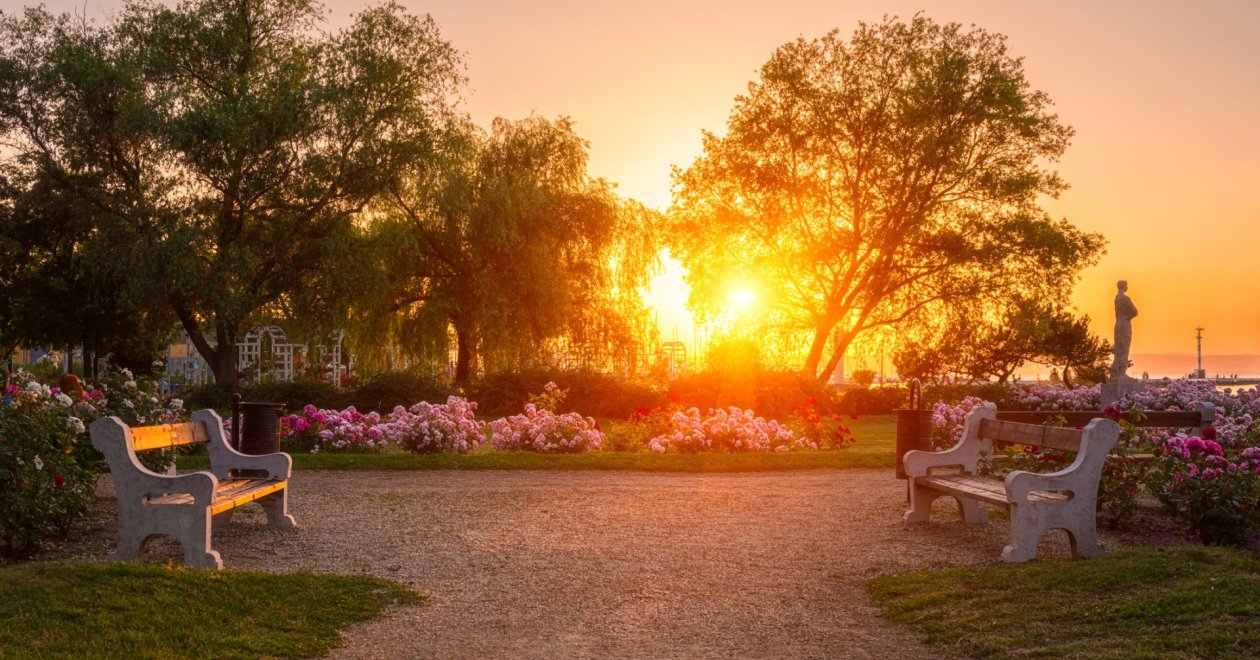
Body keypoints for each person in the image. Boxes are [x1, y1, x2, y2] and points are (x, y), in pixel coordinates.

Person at [1112, 280, 1138, 379]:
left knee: (1118, 349)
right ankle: (1121, 373)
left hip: (1118, 324)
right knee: (1124, 349)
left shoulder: (1116, 298)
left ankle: (1116, 372)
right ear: (1123, 286)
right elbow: (1135, 312)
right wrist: (1128, 318)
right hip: (1124, 325)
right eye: (1127, 285)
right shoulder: (1125, 298)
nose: (1128, 287)